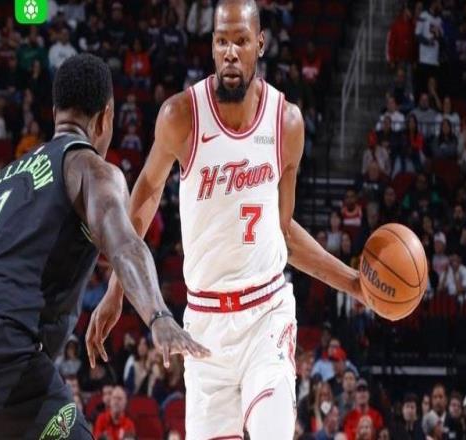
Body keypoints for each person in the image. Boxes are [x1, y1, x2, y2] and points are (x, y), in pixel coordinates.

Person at [86, 1, 366, 439]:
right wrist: (116, 290)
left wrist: (354, 283)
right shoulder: (181, 116)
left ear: (261, 43)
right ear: (212, 46)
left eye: (240, 41)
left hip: (266, 315)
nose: (230, 52)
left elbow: (283, 232)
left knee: (273, 429)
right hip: (205, 325)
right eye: (221, 42)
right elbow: (142, 202)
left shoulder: (286, 122)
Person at [0, 54, 208, 439]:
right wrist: (158, 315)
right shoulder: (89, 169)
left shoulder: (6, 178)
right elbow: (124, 244)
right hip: (9, 350)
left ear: (55, 112)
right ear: (106, 117)